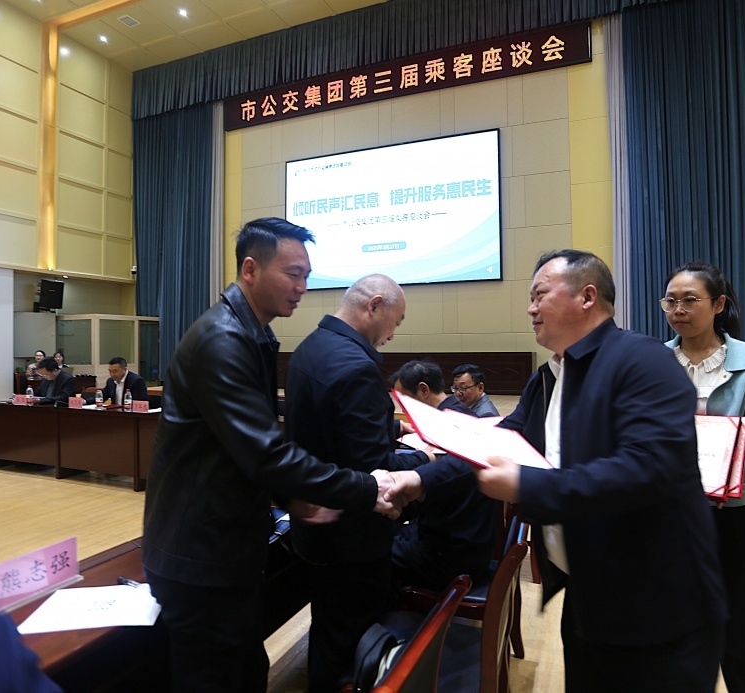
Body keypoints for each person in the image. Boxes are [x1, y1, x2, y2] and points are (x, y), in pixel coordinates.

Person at [392, 250, 727, 691]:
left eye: (540, 295)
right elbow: (490, 443)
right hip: (590, 592)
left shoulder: (642, 360)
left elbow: (648, 469)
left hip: (657, 602)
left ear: (587, 297)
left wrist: (526, 484)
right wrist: (419, 479)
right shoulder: (549, 378)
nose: (531, 308)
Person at [142, 218, 403, 693]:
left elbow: (246, 449)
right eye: (293, 274)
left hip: (224, 545)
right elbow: (266, 453)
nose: (302, 287)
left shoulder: (250, 333)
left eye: (307, 276)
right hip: (199, 553)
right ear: (250, 269)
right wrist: (368, 487)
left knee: (245, 671)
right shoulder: (223, 339)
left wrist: (290, 495)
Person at [284, 274, 434, 693]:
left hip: (314, 522)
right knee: (349, 646)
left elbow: (327, 431)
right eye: (396, 322)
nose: (393, 334)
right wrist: (424, 458)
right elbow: (374, 472)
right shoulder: (356, 366)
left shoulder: (310, 347)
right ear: (375, 305)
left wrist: (393, 431)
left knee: (328, 629)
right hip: (352, 536)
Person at [663, 262, 745, 693]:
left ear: (718, 304)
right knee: (675, 629)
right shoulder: (656, 361)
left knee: (740, 637)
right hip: (672, 515)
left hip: (734, 514)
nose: (678, 310)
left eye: (690, 300)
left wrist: (726, 482)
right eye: (671, 301)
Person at [389, 360, 500, 590]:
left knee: (369, 553)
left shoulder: (447, 427)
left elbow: (438, 492)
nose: (404, 409)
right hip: (465, 540)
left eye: (404, 401)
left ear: (423, 389)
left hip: (451, 556)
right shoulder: (458, 415)